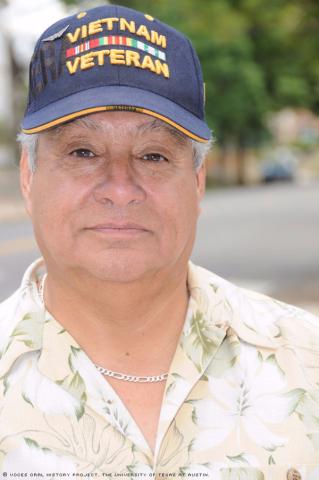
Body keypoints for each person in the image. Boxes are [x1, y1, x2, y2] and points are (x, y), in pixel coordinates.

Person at [0, 4, 318, 479]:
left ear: (197, 181)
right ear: (29, 177)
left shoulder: (307, 362)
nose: (120, 188)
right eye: (82, 151)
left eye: (153, 155)